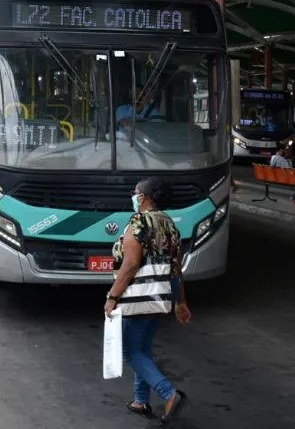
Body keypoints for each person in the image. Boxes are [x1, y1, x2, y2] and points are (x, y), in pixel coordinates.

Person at [104, 178, 190, 425]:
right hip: (162, 292)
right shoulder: (169, 223)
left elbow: (130, 265)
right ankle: (140, 401)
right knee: (143, 348)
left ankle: (169, 394)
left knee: (130, 351)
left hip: (139, 295)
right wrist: (180, 301)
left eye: (136, 193)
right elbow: (176, 267)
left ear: (143, 197)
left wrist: (112, 297)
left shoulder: (139, 222)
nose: (134, 196)